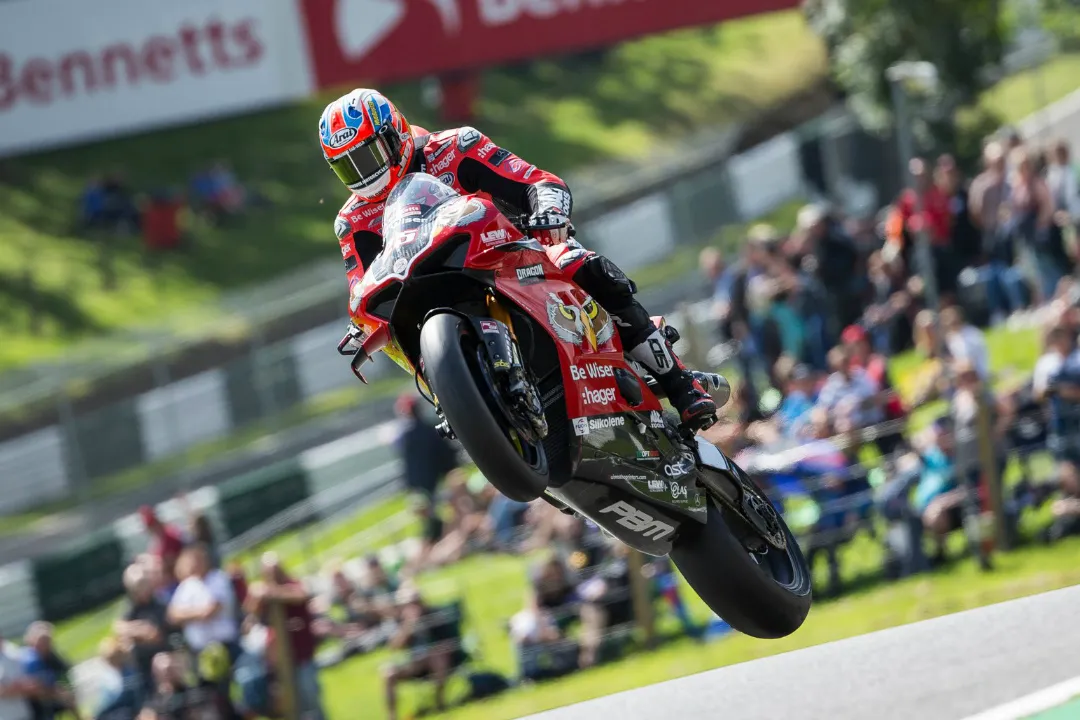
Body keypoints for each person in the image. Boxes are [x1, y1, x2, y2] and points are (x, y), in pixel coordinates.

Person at [321, 89, 716, 429]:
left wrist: (548, 207)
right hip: (427, 291)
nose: (364, 175)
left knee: (584, 264)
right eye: (347, 167)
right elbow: (362, 282)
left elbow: (534, 180)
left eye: (369, 156)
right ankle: (453, 397)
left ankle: (682, 385)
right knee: (389, 325)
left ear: (395, 134)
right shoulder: (351, 221)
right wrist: (362, 321)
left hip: (509, 257)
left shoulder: (455, 146)